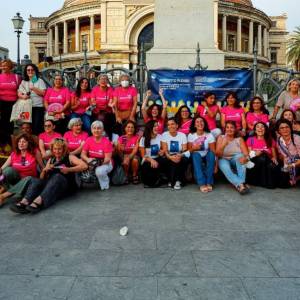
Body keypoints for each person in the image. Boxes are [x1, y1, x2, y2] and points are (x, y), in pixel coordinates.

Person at [10, 138, 87, 214]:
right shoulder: (51, 160)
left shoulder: (70, 157)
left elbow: (84, 166)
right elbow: (42, 178)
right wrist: (45, 170)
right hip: (52, 185)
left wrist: (69, 169)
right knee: (35, 180)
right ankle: (25, 201)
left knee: (57, 176)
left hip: (67, 187)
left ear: (64, 149)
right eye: (55, 149)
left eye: (59, 149)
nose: (57, 151)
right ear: (52, 149)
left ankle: (39, 201)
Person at [0, 134, 42, 207]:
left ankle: (3, 196)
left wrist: (42, 181)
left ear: (29, 143)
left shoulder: (35, 152)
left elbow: (42, 167)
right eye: (19, 141)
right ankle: (8, 191)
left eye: (24, 142)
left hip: (29, 183)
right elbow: (2, 169)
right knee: (7, 170)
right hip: (16, 182)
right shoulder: (14, 154)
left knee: (28, 178)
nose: (21, 144)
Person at [216, 121, 250, 194]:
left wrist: (245, 158)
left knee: (241, 156)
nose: (229, 129)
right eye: (227, 127)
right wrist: (223, 145)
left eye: (232, 127)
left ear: (235, 129)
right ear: (225, 129)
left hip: (236, 159)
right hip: (223, 158)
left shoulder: (239, 139)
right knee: (224, 166)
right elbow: (218, 154)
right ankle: (241, 184)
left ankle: (240, 184)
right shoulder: (221, 137)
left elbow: (246, 153)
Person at [246, 122, 280, 188]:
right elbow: (250, 154)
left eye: (262, 127)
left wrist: (274, 158)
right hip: (255, 162)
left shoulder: (270, 140)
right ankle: (267, 182)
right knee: (262, 157)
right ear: (255, 130)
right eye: (258, 127)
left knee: (267, 160)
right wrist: (257, 153)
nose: (260, 128)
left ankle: (266, 182)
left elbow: (274, 155)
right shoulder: (250, 139)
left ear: (265, 129)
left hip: (267, 161)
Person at [81, 121, 113, 190]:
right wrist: (87, 159)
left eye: (99, 128)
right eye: (94, 128)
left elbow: (107, 159)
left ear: (102, 130)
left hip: (105, 163)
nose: (96, 130)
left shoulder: (106, 141)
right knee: (80, 164)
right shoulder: (88, 140)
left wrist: (95, 164)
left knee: (99, 171)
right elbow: (83, 154)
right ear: (91, 130)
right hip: (91, 162)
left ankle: (105, 186)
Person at [188, 116, 216, 193]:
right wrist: (194, 148)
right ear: (194, 125)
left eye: (202, 121)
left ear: (204, 123)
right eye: (197, 122)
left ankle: (209, 182)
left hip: (207, 156)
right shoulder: (191, 135)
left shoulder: (209, 135)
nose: (200, 123)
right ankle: (202, 183)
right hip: (196, 156)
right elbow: (189, 151)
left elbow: (213, 151)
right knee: (195, 154)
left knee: (211, 154)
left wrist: (216, 165)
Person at [18, 64, 46, 135]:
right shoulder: (24, 81)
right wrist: (23, 96)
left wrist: (34, 88)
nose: (30, 71)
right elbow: (19, 93)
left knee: (37, 127)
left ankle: (36, 144)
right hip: (26, 108)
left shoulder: (39, 81)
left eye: (32, 70)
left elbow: (43, 93)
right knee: (26, 127)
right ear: (26, 71)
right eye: (28, 70)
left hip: (37, 107)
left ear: (35, 71)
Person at [161, 117, 189, 190]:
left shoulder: (182, 135)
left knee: (182, 160)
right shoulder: (164, 135)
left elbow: (184, 149)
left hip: (180, 154)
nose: (170, 126)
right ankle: (177, 181)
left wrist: (179, 156)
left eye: (172, 124)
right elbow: (165, 150)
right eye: (169, 125)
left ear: (177, 125)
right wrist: (170, 157)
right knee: (171, 161)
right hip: (169, 155)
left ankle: (174, 181)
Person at [139, 120, 165, 187]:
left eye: (157, 126)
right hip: (147, 160)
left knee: (164, 161)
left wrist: (162, 152)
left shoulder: (160, 136)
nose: (157, 127)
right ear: (149, 127)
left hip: (157, 158)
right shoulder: (143, 139)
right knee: (149, 180)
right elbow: (143, 155)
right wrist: (151, 160)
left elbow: (163, 149)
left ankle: (160, 178)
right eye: (154, 126)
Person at [276, 119, 300, 186]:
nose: (285, 129)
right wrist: (285, 165)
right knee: (281, 183)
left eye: (287, 127)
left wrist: (292, 165)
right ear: (278, 131)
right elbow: (283, 156)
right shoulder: (279, 141)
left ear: (290, 128)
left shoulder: (297, 138)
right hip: (288, 164)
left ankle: (296, 178)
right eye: (282, 128)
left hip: (297, 163)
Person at [90, 74, 115, 139]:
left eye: (105, 79)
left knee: (103, 118)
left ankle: (104, 136)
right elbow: (93, 101)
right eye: (101, 79)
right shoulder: (94, 90)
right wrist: (94, 104)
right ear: (98, 81)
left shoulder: (110, 90)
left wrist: (108, 105)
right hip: (97, 111)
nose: (103, 81)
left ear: (107, 81)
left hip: (107, 111)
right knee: (99, 117)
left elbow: (111, 101)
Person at [0, 59, 21, 134]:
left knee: (10, 122)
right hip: (1, 102)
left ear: (10, 66)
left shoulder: (16, 77)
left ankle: (10, 140)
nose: (3, 67)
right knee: (2, 122)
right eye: (2, 66)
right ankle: (3, 142)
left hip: (13, 103)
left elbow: (20, 89)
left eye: (5, 66)